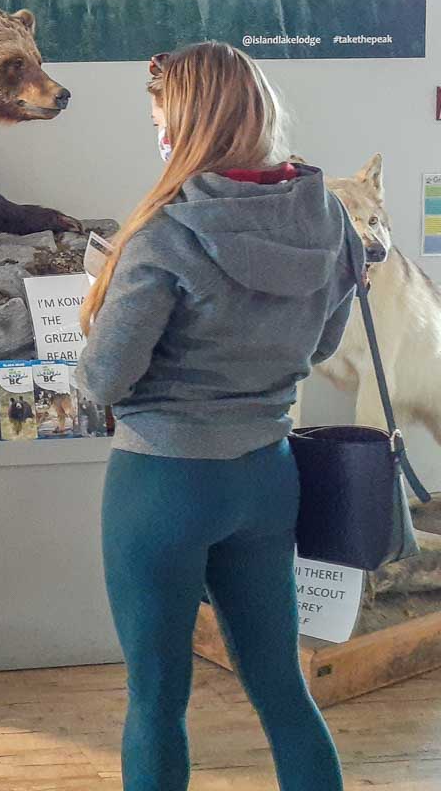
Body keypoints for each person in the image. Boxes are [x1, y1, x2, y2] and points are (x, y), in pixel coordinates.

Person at [76, 42, 360, 791]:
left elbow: (104, 380)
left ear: (187, 125)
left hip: (160, 485)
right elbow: (323, 341)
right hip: (267, 480)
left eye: (159, 118)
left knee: (157, 705)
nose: (157, 135)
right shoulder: (329, 217)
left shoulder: (166, 235)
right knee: (283, 695)